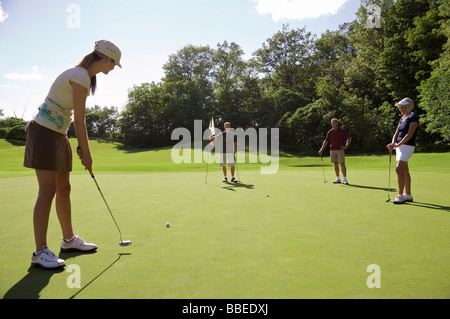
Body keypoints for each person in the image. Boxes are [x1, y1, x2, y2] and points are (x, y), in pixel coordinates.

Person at [23, 40, 122, 269]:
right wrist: (86, 153)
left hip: (58, 135)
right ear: (107, 59)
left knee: (63, 189)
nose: (113, 68)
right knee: (47, 192)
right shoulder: (80, 75)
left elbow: (72, 118)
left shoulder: (85, 77)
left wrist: (76, 145)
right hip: (44, 133)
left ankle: (68, 241)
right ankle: (40, 251)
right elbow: (80, 119)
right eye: (114, 64)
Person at [387, 98, 419, 204]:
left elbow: (409, 135)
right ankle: (408, 195)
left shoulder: (413, 118)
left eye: (402, 107)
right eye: (400, 107)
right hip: (399, 147)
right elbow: (396, 133)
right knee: (404, 170)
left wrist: (397, 144)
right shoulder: (401, 118)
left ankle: (400, 195)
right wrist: (393, 143)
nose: (400, 109)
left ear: (408, 107)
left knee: (398, 169)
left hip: (408, 146)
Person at [319, 118, 352, 185]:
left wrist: (346, 146)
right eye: (332, 123)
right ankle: (338, 178)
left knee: (342, 163)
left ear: (337, 123)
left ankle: (345, 179)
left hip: (340, 149)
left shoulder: (342, 130)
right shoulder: (330, 132)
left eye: (334, 123)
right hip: (332, 149)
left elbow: (349, 138)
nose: (332, 124)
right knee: (335, 164)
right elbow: (326, 141)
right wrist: (321, 149)